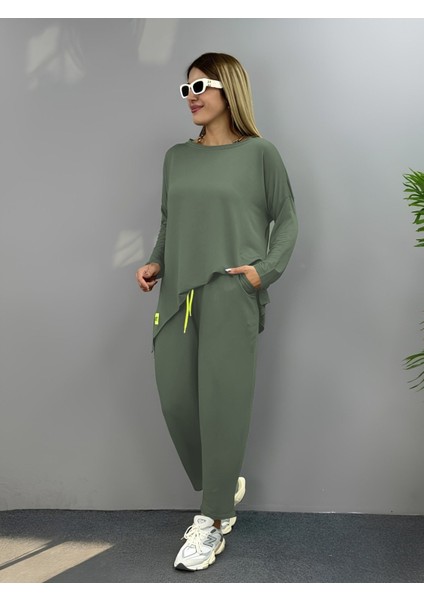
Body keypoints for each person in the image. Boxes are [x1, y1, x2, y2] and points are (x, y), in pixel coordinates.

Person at [136, 52, 298, 571]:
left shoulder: (260, 154)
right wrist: (157, 261)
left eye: (201, 86)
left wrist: (262, 272)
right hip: (178, 294)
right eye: (186, 89)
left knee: (223, 406)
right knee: (177, 400)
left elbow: (287, 219)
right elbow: (170, 219)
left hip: (231, 291)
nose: (192, 97)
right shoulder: (176, 157)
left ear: (229, 88)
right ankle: (223, 487)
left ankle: (211, 520)